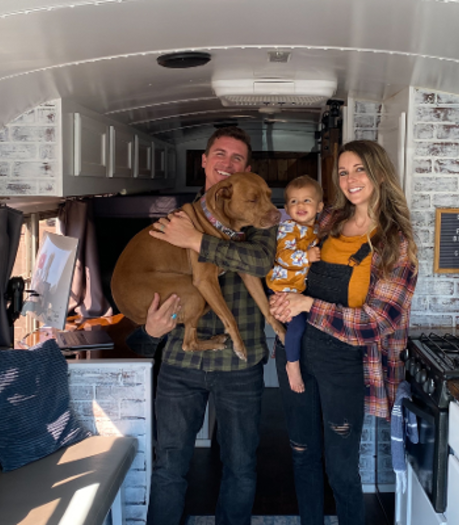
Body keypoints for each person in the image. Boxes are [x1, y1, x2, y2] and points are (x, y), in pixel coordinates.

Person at [131, 126, 277, 525]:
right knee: (169, 468)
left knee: (241, 468)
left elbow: (260, 263)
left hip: (239, 365)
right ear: (204, 161)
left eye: (236, 159)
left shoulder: (260, 214)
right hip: (180, 364)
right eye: (220, 155)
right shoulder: (177, 220)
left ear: (246, 168)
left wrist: (197, 241)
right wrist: (151, 331)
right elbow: (149, 282)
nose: (226, 164)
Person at [269, 140, 418, 525]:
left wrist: (306, 306)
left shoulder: (395, 244)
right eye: (343, 172)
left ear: (380, 174)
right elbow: (284, 248)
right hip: (295, 353)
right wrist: (282, 298)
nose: (350, 179)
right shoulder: (327, 221)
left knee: (340, 468)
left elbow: (375, 322)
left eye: (360, 170)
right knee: (301, 453)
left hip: (345, 365)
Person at [266, 175, 323, 393]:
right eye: (293, 201)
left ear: (319, 206)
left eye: (307, 200)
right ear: (287, 209)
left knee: (300, 325)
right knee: (297, 325)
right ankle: (292, 364)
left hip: (298, 286)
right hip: (284, 285)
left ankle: (287, 347)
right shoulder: (288, 228)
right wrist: (306, 256)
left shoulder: (318, 230)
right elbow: (284, 256)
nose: (300, 205)